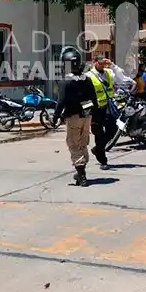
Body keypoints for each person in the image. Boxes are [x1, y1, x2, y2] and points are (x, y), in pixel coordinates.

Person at [53, 47, 96, 187]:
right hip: (87, 116)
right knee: (83, 142)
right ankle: (81, 171)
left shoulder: (66, 81)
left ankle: (81, 174)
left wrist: (55, 116)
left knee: (74, 143)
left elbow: (61, 101)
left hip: (74, 117)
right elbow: (93, 99)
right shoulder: (87, 79)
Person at [87, 57, 116, 168]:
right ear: (94, 63)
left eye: (104, 63)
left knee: (113, 130)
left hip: (108, 107)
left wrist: (112, 64)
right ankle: (103, 161)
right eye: (100, 63)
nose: (103, 65)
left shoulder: (108, 72)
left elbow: (121, 77)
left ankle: (97, 149)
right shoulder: (89, 76)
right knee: (98, 134)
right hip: (96, 109)